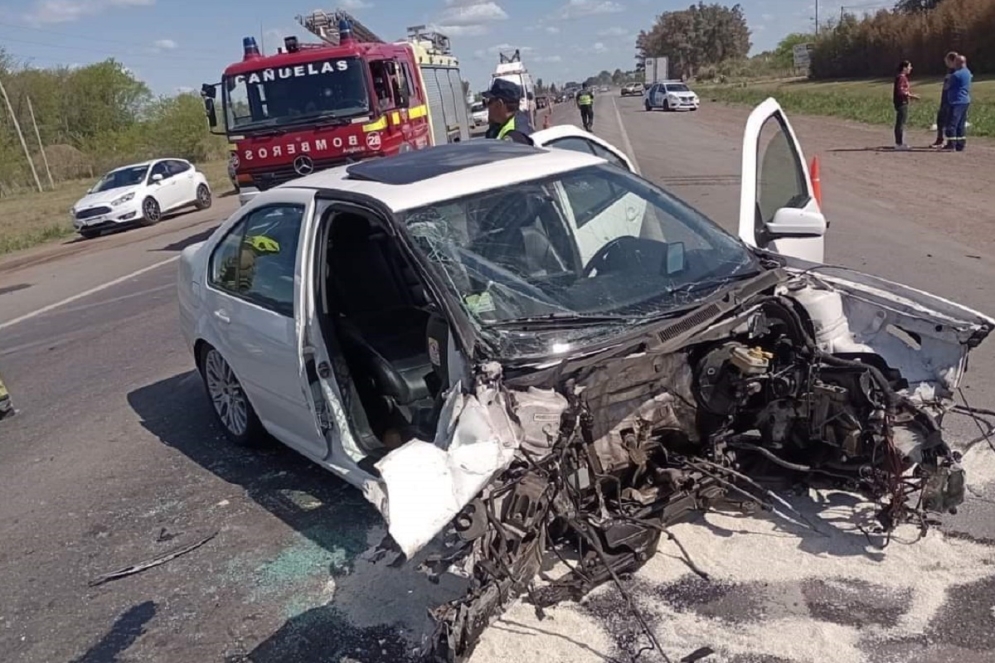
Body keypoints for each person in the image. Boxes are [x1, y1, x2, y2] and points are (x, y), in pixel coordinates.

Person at [482, 78, 534, 144]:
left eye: (489, 102)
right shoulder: (499, 126)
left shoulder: (516, 138)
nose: (487, 106)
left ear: (499, 104)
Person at [944, 55, 972, 152]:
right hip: (965, 100)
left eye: (955, 62)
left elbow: (947, 87)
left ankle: (951, 144)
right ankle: (960, 144)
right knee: (961, 123)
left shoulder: (956, 75)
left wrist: (948, 79)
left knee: (952, 123)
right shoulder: (968, 73)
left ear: (958, 63)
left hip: (956, 101)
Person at [931, 51, 958, 148]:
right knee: (940, 120)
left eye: (947, 61)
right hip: (944, 99)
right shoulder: (949, 71)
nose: (945, 63)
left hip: (950, 100)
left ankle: (951, 142)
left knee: (949, 121)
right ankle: (940, 139)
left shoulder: (957, 71)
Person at [892, 60, 919, 150]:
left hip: (902, 102)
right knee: (900, 123)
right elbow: (901, 91)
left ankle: (899, 142)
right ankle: (899, 143)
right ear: (904, 68)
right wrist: (912, 96)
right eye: (909, 67)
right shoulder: (901, 78)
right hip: (901, 102)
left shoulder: (902, 77)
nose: (911, 68)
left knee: (901, 122)